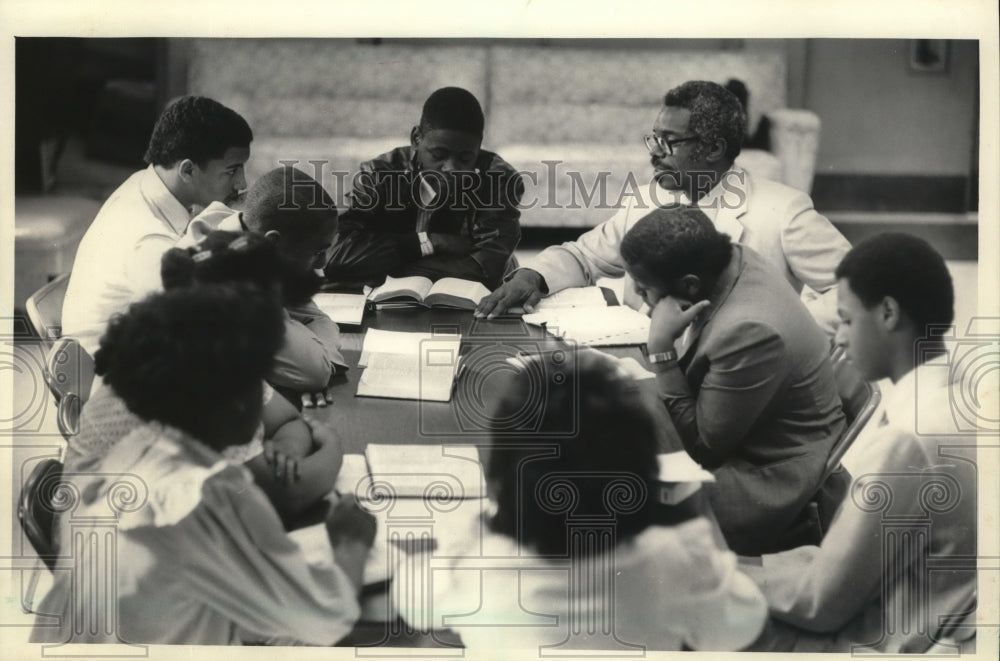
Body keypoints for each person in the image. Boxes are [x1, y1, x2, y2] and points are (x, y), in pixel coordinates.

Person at [31, 285, 376, 645]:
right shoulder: (214, 493)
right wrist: (351, 541)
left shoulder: (128, 457)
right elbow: (324, 619)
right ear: (229, 403)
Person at [427, 349, 767, 651]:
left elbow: (411, 598)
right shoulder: (677, 555)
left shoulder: (474, 560)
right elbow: (742, 623)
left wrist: (474, 529)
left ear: (502, 471)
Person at [740, 233, 977, 653]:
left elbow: (821, 604)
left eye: (847, 320)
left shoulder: (907, 439)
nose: (841, 338)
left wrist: (722, 573)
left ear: (888, 313)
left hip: (894, 637)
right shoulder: (962, 394)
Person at [476, 80, 850, 337]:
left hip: (738, 376)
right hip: (643, 361)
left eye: (669, 142)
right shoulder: (645, 199)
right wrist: (532, 278)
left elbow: (856, 287)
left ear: (715, 149)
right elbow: (583, 256)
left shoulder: (783, 212)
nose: (654, 152)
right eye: (655, 138)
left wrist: (785, 328)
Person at [65, 230, 345, 524]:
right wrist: (331, 445)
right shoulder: (193, 378)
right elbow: (289, 496)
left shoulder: (198, 346)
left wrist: (287, 449)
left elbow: (288, 420)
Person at [620, 207, 847, 556]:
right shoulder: (734, 258)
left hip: (760, 481)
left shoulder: (750, 330)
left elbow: (703, 447)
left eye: (643, 287)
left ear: (690, 285)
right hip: (746, 438)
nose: (637, 295)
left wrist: (662, 351)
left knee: (605, 489)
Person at [62, 95, 252, 356]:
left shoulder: (144, 182)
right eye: (232, 170)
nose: (242, 183)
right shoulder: (148, 238)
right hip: (118, 378)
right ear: (187, 171)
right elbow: (197, 326)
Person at [323, 86, 524, 290]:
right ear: (416, 139)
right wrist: (428, 242)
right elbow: (338, 258)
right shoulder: (378, 175)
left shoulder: (499, 180)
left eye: (465, 158)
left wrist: (377, 266)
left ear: (479, 148)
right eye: (439, 155)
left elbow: (486, 271)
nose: (451, 168)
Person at [180, 166, 348, 403]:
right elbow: (313, 372)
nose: (323, 263)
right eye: (317, 251)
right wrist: (314, 362)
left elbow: (319, 320)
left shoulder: (249, 230)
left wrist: (317, 357)